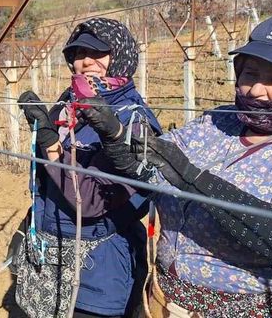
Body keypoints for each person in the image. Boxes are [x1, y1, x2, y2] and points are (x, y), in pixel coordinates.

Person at [78, 13, 272, 318]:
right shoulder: (220, 122)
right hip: (170, 303)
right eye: (250, 74)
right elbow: (154, 166)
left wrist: (195, 181)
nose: (255, 89)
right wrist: (116, 135)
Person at [14, 17, 162, 318]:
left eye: (97, 53)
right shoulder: (68, 104)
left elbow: (92, 200)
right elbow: (42, 183)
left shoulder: (134, 121)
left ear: (120, 55)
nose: (86, 61)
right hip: (49, 257)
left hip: (98, 271)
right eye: (78, 54)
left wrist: (51, 145)